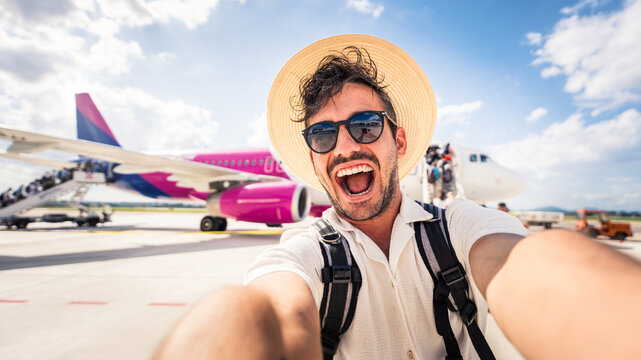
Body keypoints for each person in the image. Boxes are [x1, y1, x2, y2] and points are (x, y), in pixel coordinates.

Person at [155, 35, 641, 360]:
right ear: (313, 155)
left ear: (401, 142)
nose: (345, 145)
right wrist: (240, 322)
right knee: (229, 311)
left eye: (365, 125)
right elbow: (277, 311)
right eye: (323, 134)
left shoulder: (461, 226)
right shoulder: (306, 250)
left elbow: (531, 268)